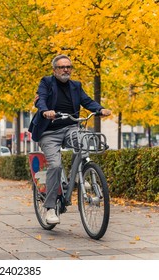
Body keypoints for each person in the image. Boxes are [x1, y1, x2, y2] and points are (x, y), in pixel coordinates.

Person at [28, 54, 111, 225]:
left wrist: (100, 109)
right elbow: (41, 99)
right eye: (62, 67)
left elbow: (87, 101)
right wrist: (45, 111)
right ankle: (50, 208)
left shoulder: (76, 86)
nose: (66, 70)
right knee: (56, 165)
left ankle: (81, 175)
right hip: (49, 131)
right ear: (54, 70)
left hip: (70, 127)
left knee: (84, 141)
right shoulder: (46, 82)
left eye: (69, 67)